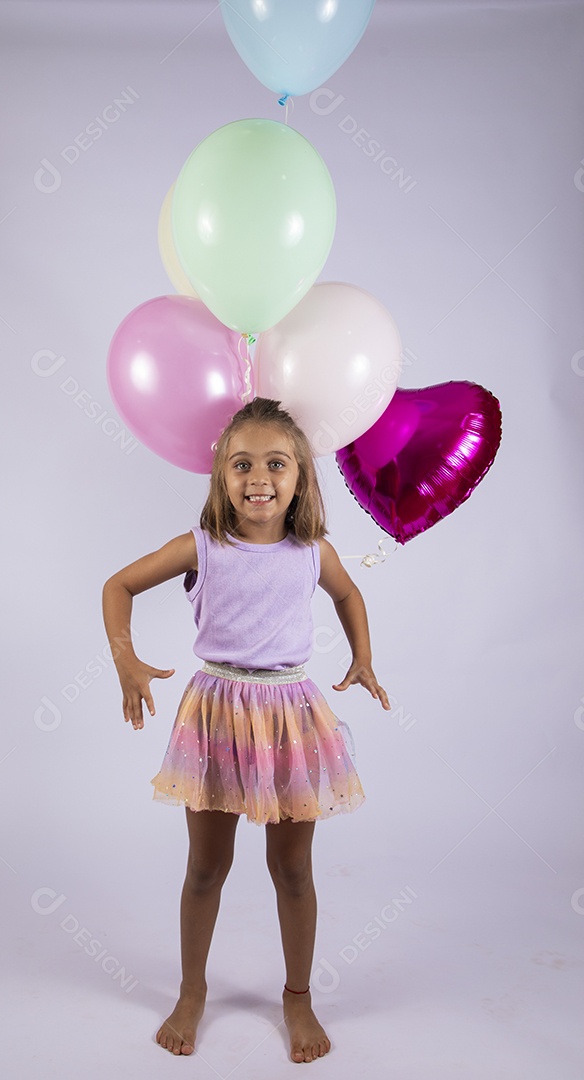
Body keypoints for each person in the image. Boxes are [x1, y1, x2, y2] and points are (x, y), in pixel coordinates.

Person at [102, 396, 390, 1064]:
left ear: (300, 478)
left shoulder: (314, 551)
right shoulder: (200, 546)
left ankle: (297, 996)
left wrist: (363, 656)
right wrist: (125, 659)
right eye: (242, 464)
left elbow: (348, 593)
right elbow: (118, 585)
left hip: (289, 717)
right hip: (216, 716)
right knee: (206, 866)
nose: (258, 476)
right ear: (220, 477)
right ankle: (191, 990)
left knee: (292, 869)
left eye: (275, 463)